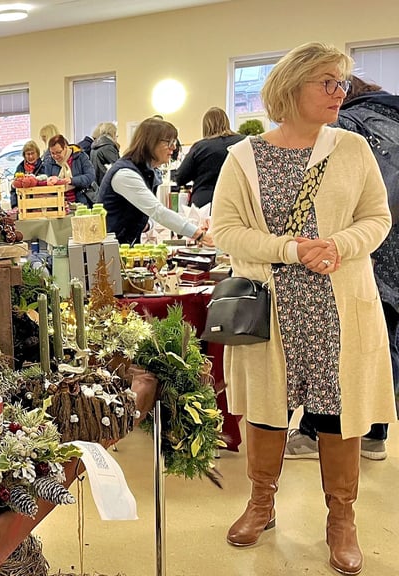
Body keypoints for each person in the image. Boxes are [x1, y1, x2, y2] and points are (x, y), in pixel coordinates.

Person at [211, 42, 395, 576]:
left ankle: (342, 519)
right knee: (267, 411)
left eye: (343, 83)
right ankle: (261, 504)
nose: (341, 92)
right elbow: (226, 231)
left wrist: (339, 245)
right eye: (328, 83)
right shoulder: (242, 158)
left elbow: (377, 218)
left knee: (340, 412)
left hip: (340, 306)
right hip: (269, 308)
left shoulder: (353, 149)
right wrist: (291, 249)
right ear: (291, 89)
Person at [285, 75, 399, 463]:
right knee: (378, 348)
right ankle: (375, 434)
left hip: (355, 253)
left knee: (337, 349)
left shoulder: (348, 129)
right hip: (382, 245)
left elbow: (327, 198)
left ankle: (316, 432)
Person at [98, 118, 209, 245]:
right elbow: (158, 211)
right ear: (150, 143)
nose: (173, 147)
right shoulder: (125, 174)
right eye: (169, 142)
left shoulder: (145, 171)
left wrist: (145, 223)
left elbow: (152, 212)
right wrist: (199, 235)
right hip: (111, 250)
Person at [174, 107, 245, 212]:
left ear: (206, 126)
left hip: (205, 202)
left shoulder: (200, 147)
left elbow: (180, 177)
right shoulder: (244, 142)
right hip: (238, 201)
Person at [42, 134, 96, 206]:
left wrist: (72, 180)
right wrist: (49, 182)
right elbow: (45, 181)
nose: (55, 156)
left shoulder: (80, 157)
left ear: (65, 147)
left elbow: (90, 176)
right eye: (52, 153)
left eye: (58, 152)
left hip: (81, 201)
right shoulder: (49, 162)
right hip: (59, 204)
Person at [10, 140, 45, 209]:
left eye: (32, 153)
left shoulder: (44, 166)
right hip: (23, 205)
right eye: (28, 154)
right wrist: (14, 205)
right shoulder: (20, 168)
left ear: (37, 154)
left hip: (40, 205)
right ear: (24, 155)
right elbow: (14, 188)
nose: (30, 156)